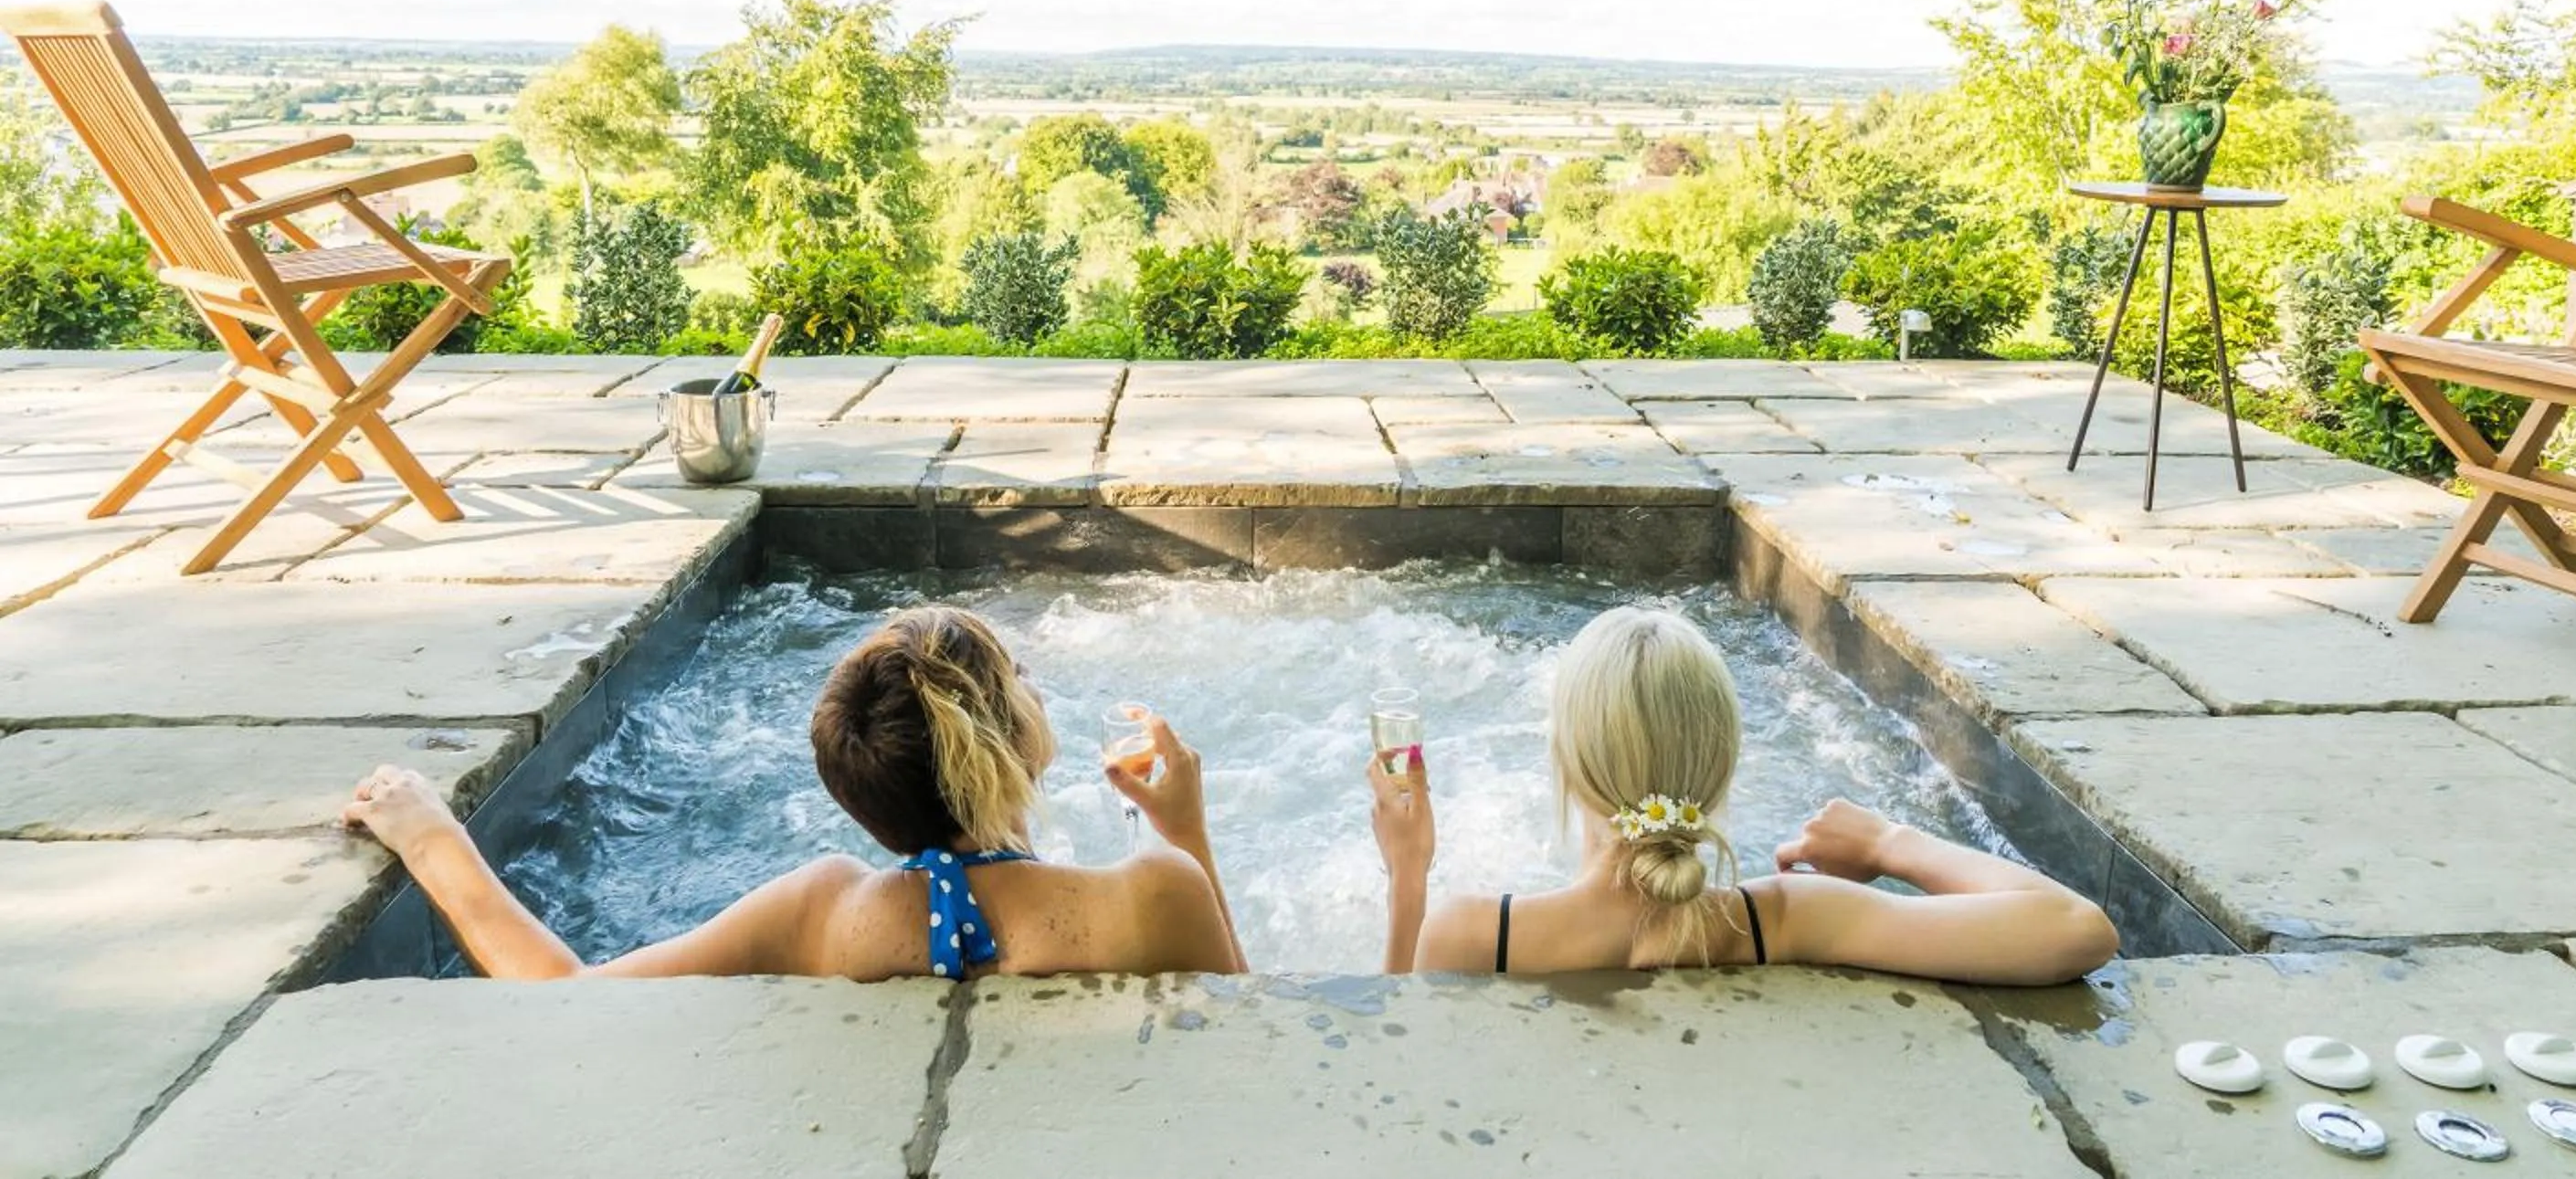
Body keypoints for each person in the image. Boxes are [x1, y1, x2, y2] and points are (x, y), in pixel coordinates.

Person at [343, 605, 1245, 980]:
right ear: (1011, 748)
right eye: (1019, 674)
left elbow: (570, 993)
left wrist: (431, 840)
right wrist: (1185, 836)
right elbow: (1256, 1036)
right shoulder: (1149, 892)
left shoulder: (818, 909)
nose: (1034, 680)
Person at [1367, 605, 2117, 982]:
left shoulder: (1474, 935)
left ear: (1565, 765)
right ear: (1722, 766)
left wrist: (1409, 879)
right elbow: (2074, 927)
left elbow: (1389, 1067)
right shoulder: (1785, 919)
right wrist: (1894, 844)